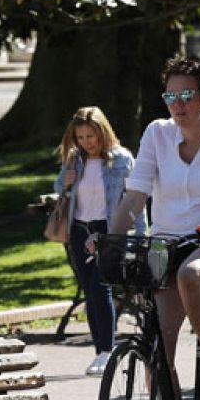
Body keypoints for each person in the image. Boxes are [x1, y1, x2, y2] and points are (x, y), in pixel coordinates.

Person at [103, 57, 200, 400]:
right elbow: (135, 196)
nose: (178, 104)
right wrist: (110, 240)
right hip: (164, 244)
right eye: (170, 97)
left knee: (191, 274)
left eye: (187, 95)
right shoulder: (157, 134)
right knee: (159, 346)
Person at [53, 107, 141, 376]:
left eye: (90, 136)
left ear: (102, 132)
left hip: (108, 230)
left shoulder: (121, 160)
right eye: (80, 137)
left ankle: (107, 349)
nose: (86, 142)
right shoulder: (75, 160)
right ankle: (100, 351)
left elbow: (136, 197)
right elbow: (60, 188)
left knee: (100, 286)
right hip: (80, 229)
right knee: (90, 292)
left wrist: (139, 234)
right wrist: (66, 182)